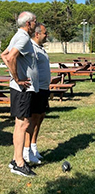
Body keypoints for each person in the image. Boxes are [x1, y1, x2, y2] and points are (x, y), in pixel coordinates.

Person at [1, 11, 38, 177]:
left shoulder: (18, 35)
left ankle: (16, 160)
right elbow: (10, 58)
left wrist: (14, 77)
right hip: (23, 89)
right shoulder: (23, 37)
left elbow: (3, 55)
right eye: (35, 22)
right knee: (23, 124)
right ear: (28, 23)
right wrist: (17, 78)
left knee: (20, 124)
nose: (36, 25)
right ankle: (19, 163)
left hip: (20, 89)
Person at [23, 23, 50, 164]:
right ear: (37, 34)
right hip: (36, 89)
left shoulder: (41, 49)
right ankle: (26, 151)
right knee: (33, 119)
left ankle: (33, 146)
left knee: (40, 117)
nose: (47, 35)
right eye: (45, 33)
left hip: (44, 88)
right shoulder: (31, 48)